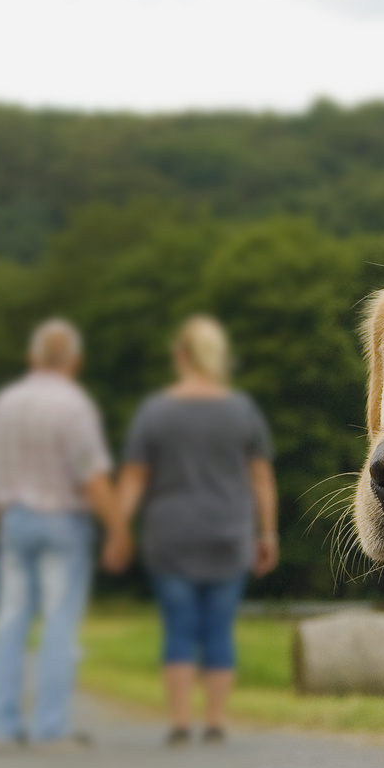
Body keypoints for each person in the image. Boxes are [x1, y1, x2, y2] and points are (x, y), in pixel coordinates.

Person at [116, 314, 278, 746]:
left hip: (169, 536)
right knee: (218, 629)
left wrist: (117, 529)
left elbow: (133, 478)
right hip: (227, 535)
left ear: (180, 354)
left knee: (179, 628)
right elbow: (260, 478)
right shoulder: (241, 410)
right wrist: (268, 535)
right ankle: (217, 720)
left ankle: (182, 721)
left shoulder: (155, 411)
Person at [0, 318, 131, 750]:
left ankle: (4, 726)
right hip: (63, 521)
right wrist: (118, 527)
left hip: (12, 519)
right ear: (75, 362)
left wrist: (3, 523)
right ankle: (50, 726)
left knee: (10, 621)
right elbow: (92, 476)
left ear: (32, 357)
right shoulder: (73, 405)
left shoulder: (3, 403)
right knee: (59, 621)